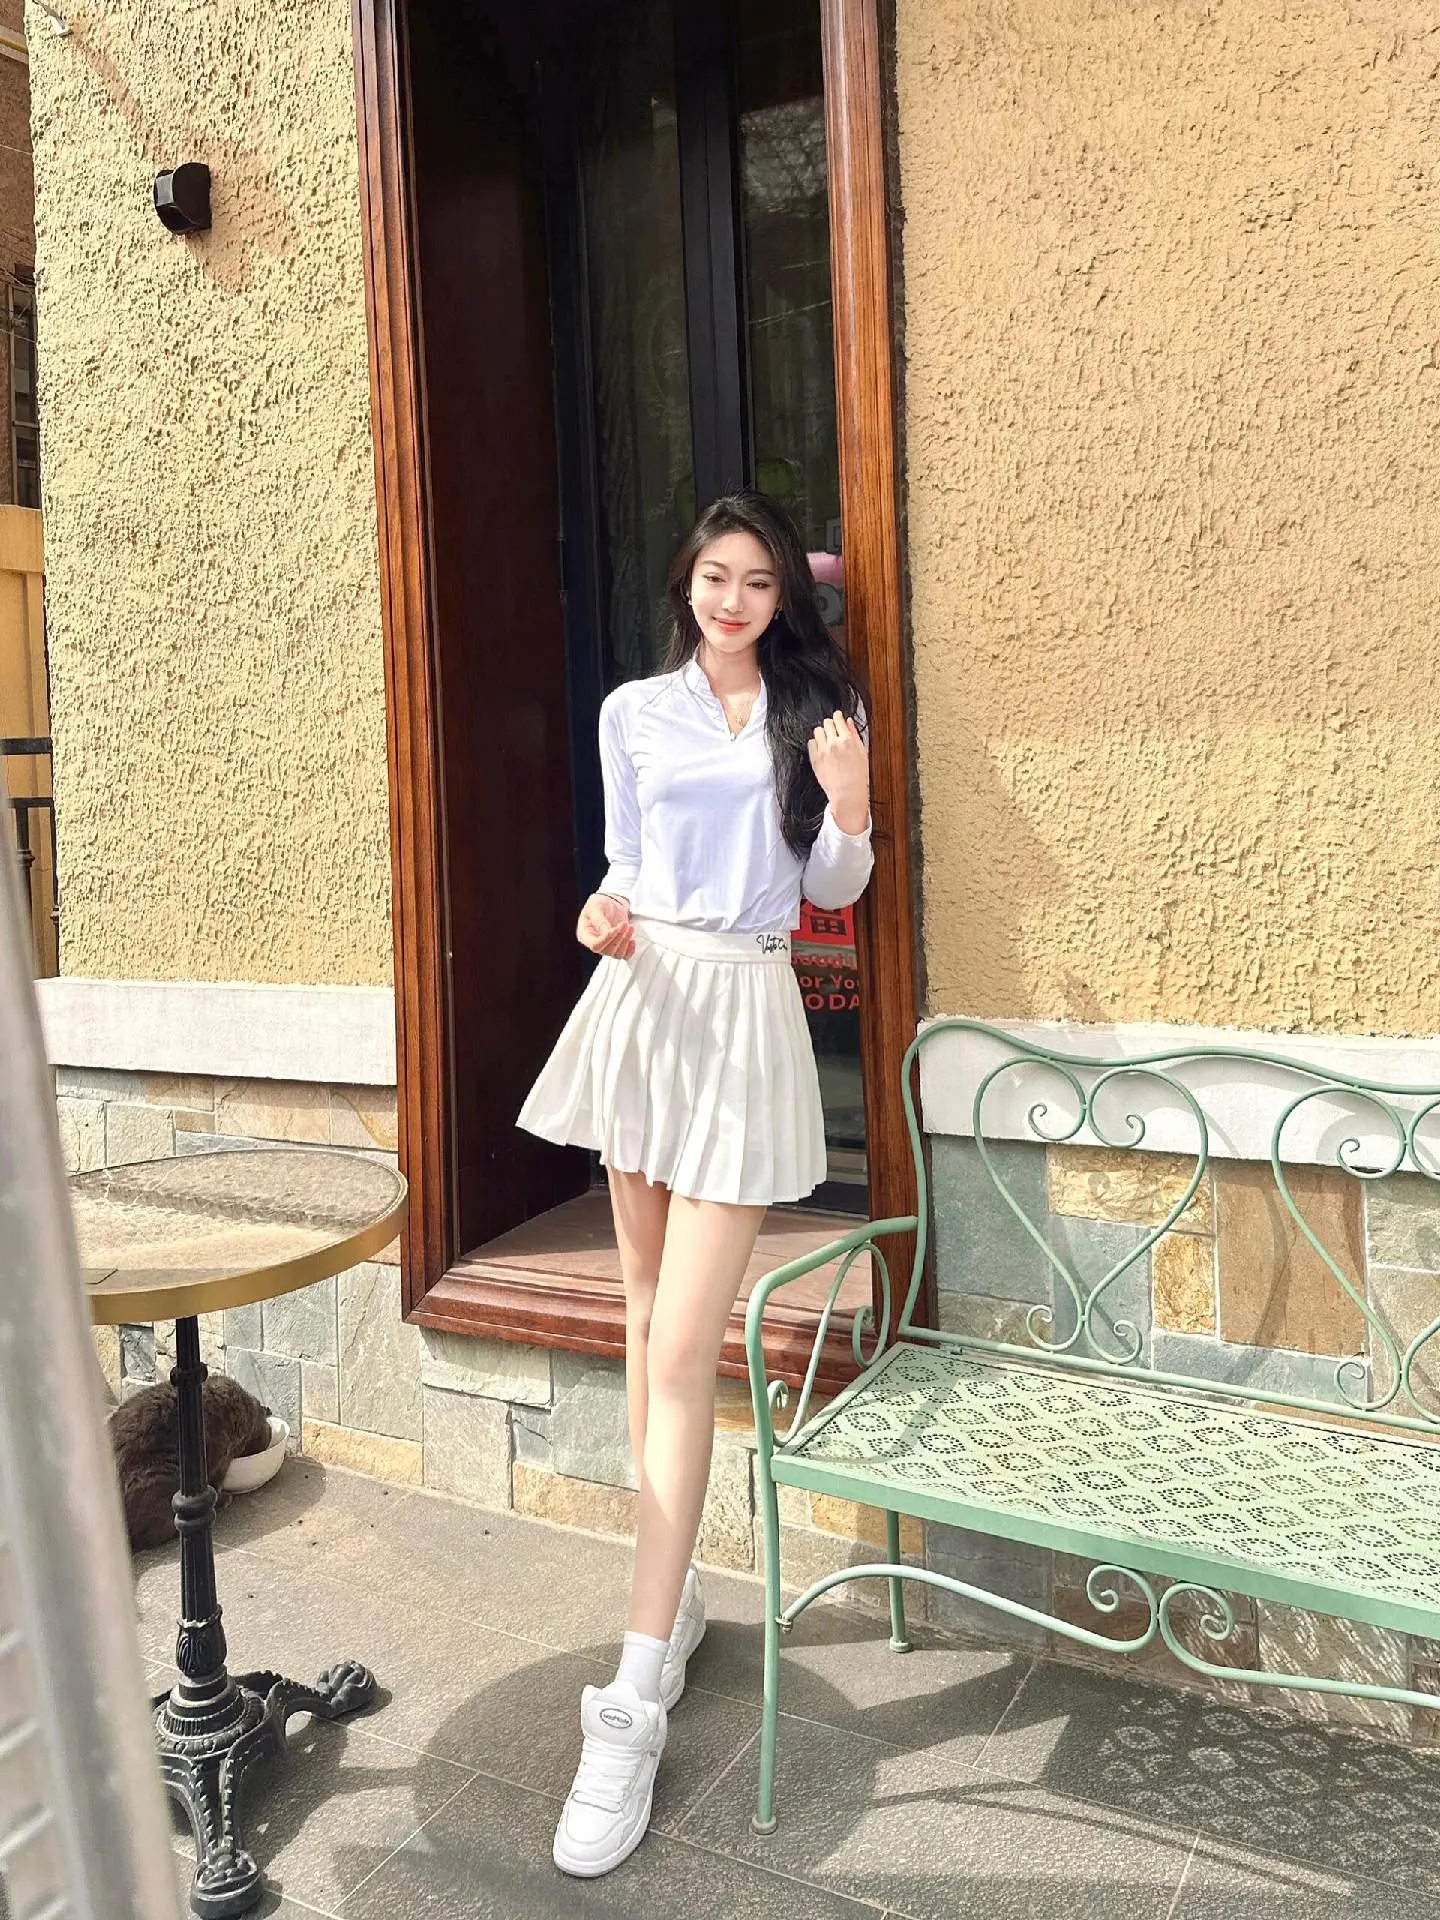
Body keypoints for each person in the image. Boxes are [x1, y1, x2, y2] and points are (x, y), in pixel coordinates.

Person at [518, 490, 874, 1877]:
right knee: (642, 1319)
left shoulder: (816, 713)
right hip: (645, 1005)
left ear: (785, 598)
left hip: (745, 1011)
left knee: (681, 1348)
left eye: (759, 581)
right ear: (688, 586)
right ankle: (665, 1622)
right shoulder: (633, 712)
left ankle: (629, 1699)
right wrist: (599, 915)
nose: (733, 600)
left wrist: (850, 807)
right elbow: (622, 870)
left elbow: (831, 886)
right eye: (715, 577)